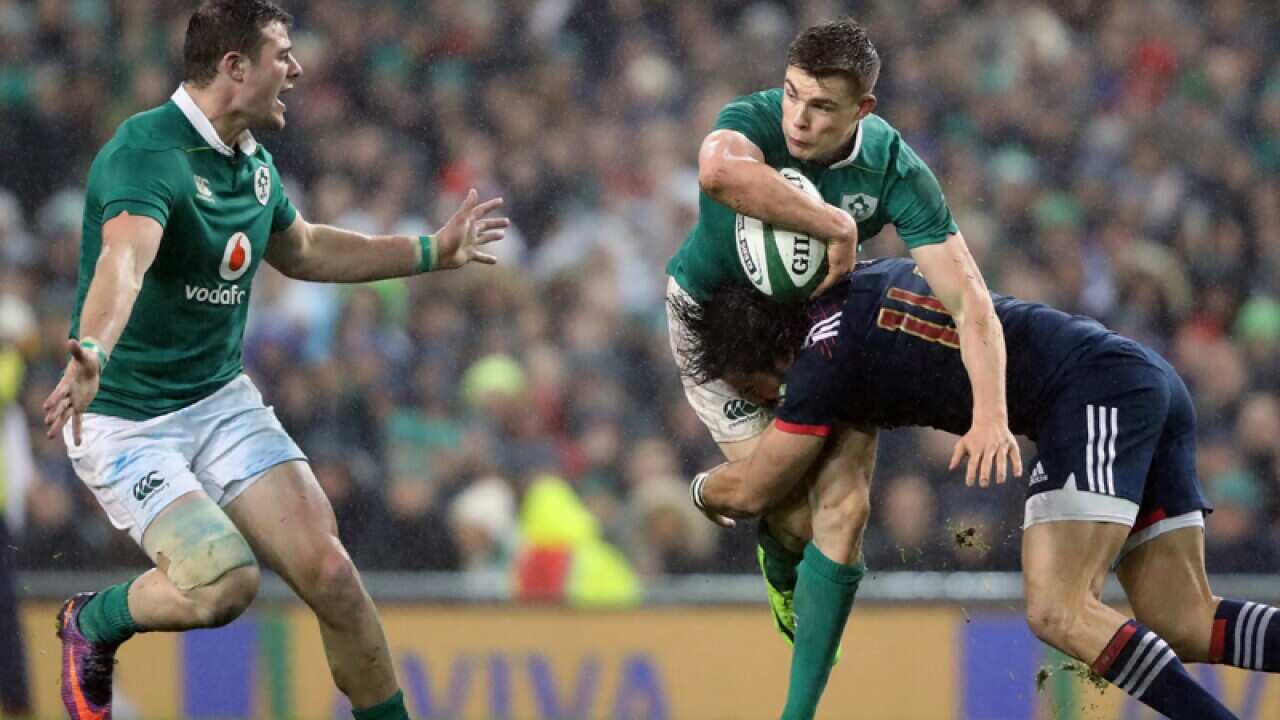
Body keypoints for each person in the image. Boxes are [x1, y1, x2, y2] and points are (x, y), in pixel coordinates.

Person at [39, 2, 507, 719]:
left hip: (219, 400)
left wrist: (428, 251)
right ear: (235, 66)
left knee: (333, 574)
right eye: (282, 55)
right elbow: (124, 262)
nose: (297, 69)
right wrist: (94, 349)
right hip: (129, 420)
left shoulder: (251, 163)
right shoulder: (148, 152)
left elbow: (304, 248)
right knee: (225, 584)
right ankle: (93, 621)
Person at [675, 256, 1280, 720]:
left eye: (749, 387)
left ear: (771, 356)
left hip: (1092, 395)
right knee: (1185, 620)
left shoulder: (819, 363)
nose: (760, 402)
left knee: (1059, 608)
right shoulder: (852, 288)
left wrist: (700, 490)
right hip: (1133, 378)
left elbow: (756, 489)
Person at [663, 17, 1016, 718]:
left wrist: (992, 412)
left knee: (848, 508)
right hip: (718, 326)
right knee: (784, 508)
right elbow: (717, 172)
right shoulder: (754, 120)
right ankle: (749, 529)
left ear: (863, 108)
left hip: (816, 328)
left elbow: (969, 299)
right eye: (793, 94)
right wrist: (836, 225)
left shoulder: (894, 169)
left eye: (822, 106)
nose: (798, 118)